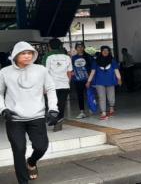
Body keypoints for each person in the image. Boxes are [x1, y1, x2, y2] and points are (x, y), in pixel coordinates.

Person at [0, 41, 59, 183]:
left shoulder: (41, 69)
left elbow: (50, 89)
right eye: (23, 53)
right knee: (19, 150)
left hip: (37, 116)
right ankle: (23, 181)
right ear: (15, 55)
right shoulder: (4, 72)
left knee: (41, 147)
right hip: (14, 118)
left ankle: (31, 162)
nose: (27, 56)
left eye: (29, 53)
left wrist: (53, 109)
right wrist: (3, 109)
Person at [42, 38, 73, 132]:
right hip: (64, 85)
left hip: (52, 85)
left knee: (52, 103)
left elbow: (44, 72)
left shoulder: (47, 56)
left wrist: (43, 86)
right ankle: (58, 122)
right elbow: (69, 72)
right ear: (60, 46)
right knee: (62, 104)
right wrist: (68, 83)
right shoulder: (66, 57)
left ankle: (53, 120)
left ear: (49, 46)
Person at [86, 46, 122, 120]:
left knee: (111, 96)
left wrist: (119, 79)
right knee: (101, 97)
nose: (105, 52)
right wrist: (88, 81)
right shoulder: (96, 61)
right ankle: (103, 113)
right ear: (101, 51)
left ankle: (111, 108)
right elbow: (92, 72)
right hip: (99, 82)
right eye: (104, 50)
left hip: (110, 81)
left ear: (109, 52)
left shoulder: (112, 61)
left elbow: (116, 71)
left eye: (107, 50)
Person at [71, 42, 93, 119]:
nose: (80, 48)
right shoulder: (73, 58)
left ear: (84, 48)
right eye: (78, 47)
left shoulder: (89, 57)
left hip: (87, 80)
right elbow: (70, 68)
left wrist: (89, 80)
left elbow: (93, 69)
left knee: (90, 94)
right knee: (80, 96)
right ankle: (82, 112)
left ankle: (92, 108)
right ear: (76, 48)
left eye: (81, 47)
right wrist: (72, 72)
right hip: (78, 80)